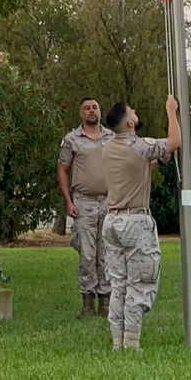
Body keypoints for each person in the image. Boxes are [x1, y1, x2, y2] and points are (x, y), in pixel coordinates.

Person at [100, 94, 181, 352]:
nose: (136, 112)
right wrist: (171, 111)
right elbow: (175, 141)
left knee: (118, 284)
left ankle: (117, 342)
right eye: (132, 111)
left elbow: (137, 167)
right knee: (140, 283)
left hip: (112, 222)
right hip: (136, 222)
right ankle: (132, 343)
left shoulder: (109, 147)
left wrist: (159, 161)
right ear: (130, 124)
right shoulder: (138, 145)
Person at [57, 99, 114, 318]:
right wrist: (68, 201)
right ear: (81, 113)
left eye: (95, 107)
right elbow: (62, 169)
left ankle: (106, 303)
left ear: (100, 111)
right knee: (87, 254)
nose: (92, 111)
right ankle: (88, 302)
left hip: (109, 201)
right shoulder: (72, 140)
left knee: (107, 252)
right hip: (84, 202)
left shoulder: (111, 138)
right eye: (87, 108)